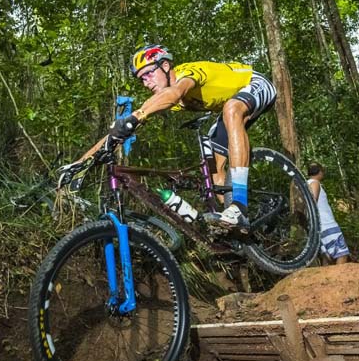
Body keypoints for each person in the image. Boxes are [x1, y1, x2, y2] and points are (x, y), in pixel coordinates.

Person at [108, 45, 277, 230]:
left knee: (232, 109)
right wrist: (84, 159)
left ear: (165, 66)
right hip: (230, 104)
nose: (146, 83)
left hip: (255, 83)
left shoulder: (186, 74)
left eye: (148, 74)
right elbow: (141, 114)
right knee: (214, 166)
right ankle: (234, 221)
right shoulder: (164, 96)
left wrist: (136, 116)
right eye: (141, 79)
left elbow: (173, 94)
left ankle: (240, 206)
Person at [307, 162, 350, 264]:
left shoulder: (306, 184)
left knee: (326, 257)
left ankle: (327, 279)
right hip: (326, 224)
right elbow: (313, 202)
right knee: (342, 254)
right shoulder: (314, 183)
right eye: (322, 171)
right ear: (319, 172)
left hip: (319, 226)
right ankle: (339, 279)